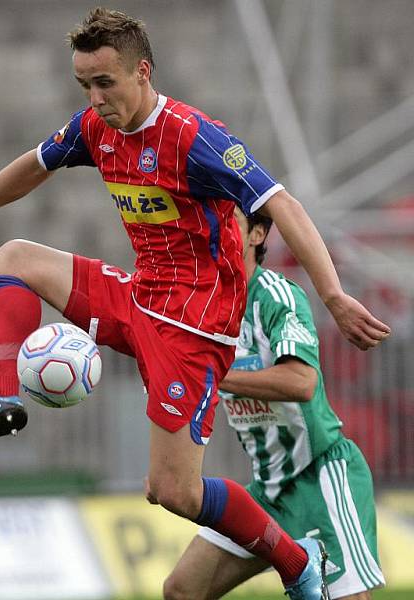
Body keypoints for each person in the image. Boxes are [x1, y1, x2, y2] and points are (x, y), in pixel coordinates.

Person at [0, 8, 389, 599]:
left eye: (105, 83)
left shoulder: (196, 138)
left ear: (143, 72)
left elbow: (283, 205)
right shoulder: (96, 128)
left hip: (194, 327)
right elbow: (34, 165)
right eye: (84, 86)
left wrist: (334, 296)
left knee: (173, 492)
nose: (94, 99)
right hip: (141, 297)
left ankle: (297, 566)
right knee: (13, 257)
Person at [163, 209, 385, 600]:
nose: (216, 228)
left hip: (319, 476)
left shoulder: (274, 295)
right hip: (267, 491)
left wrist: (215, 376)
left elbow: (302, 382)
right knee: (182, 590)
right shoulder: (205, 307)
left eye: (229, 220)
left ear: (258, 235)